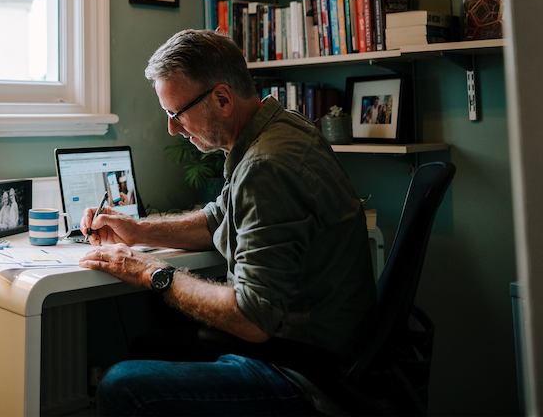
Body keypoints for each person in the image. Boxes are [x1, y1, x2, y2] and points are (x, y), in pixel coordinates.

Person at [79, 29, 375, 416]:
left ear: (221, 99)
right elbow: (218, 219)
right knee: (152, 341)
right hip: (325, 347)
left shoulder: (264, 166)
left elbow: (252, 317)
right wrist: (138, 230)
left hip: (307, 372)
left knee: (122, 386)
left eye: (176, 113)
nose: (172, 128)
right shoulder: (280, 129)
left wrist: (151, 272)